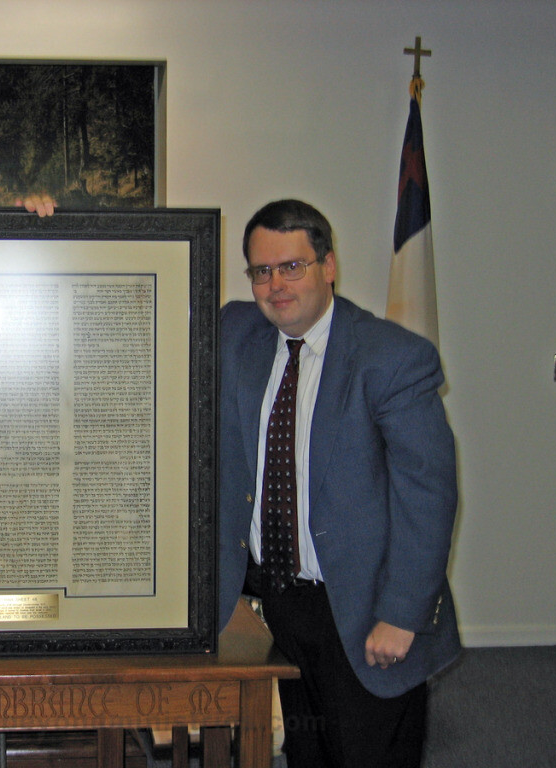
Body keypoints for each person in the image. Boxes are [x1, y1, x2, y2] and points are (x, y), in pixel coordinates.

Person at [219, 198, 460, 768]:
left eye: (292, 266)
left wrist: (402, 614)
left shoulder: (392, 358)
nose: (276, 284)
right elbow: (144, 291)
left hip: (367, 608)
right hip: (280, 601)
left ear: (328, 266)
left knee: (369, 754)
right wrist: (51, 221)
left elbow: (428, 495)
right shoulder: (237, 335)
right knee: (309, 749)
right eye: (262, 270)